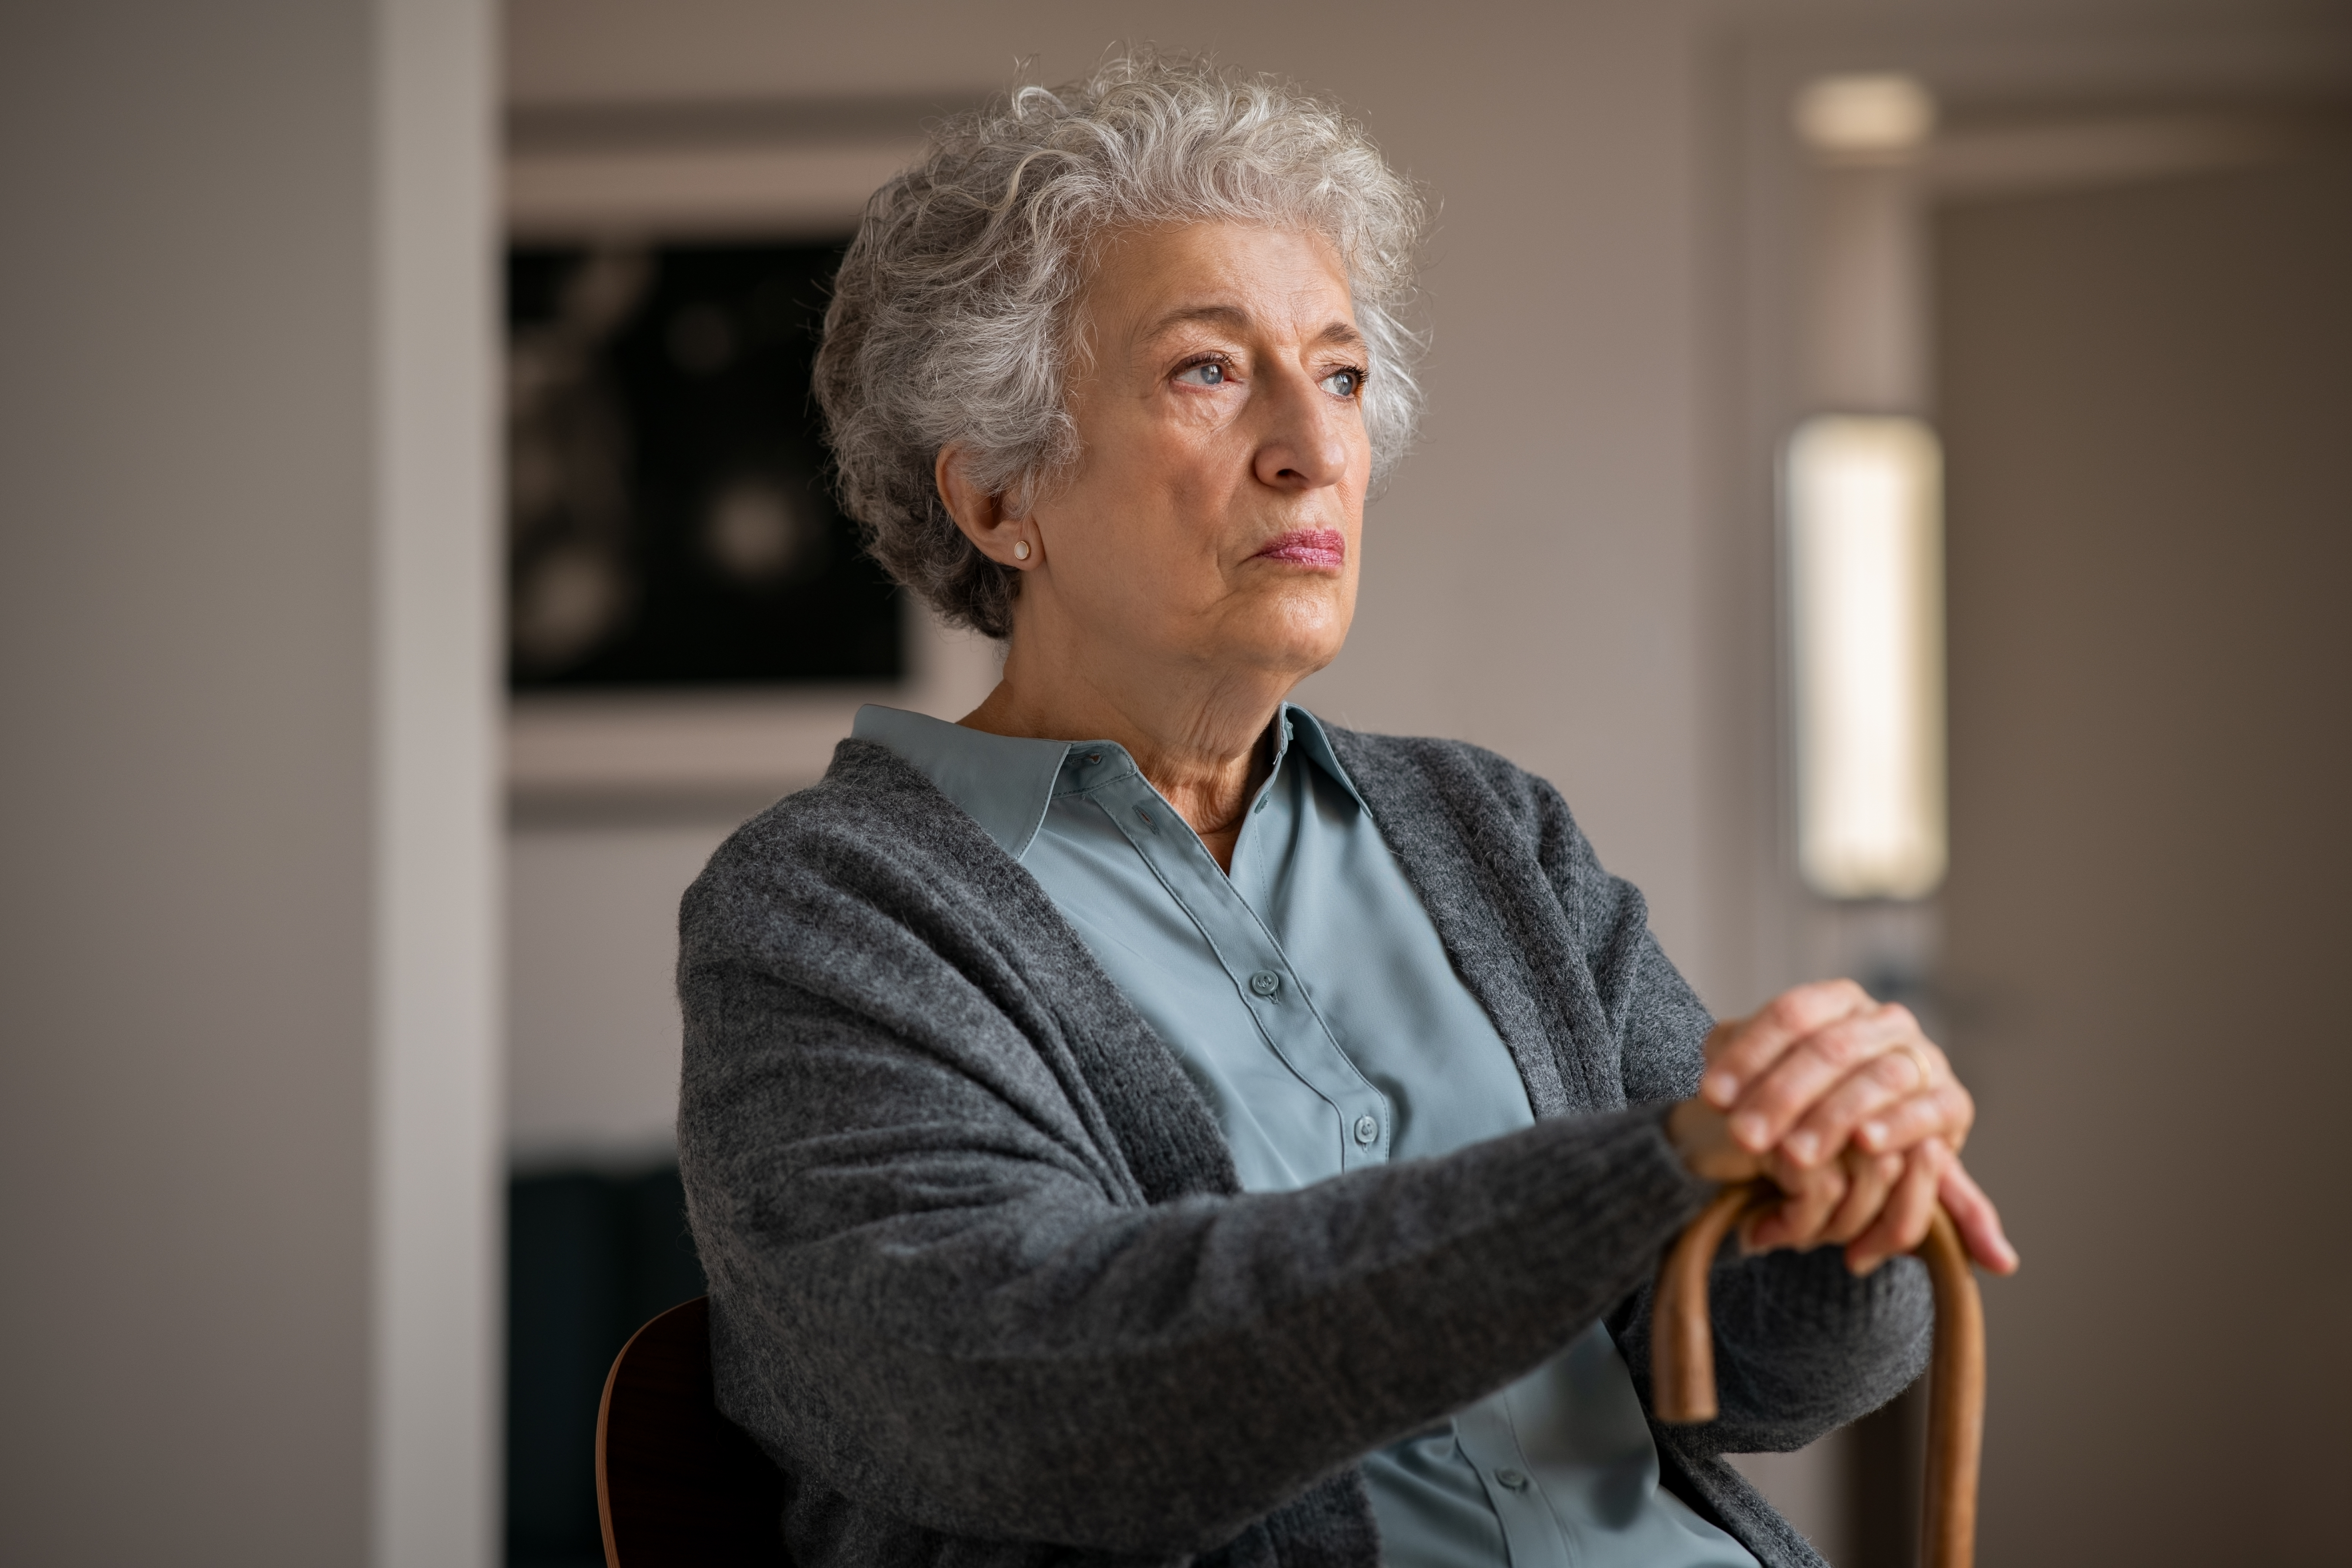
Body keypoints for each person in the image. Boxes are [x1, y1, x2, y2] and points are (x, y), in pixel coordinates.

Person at [677, 52, 2017, 1568]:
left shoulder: (1489, 833)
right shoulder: (826, 912)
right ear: (999, 498)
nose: (1313, 450)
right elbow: (1037, 1402)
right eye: (1207, 369)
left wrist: (1839, 1196)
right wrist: (1648, 1167)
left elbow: (1753, 1378)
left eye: (1340, 373)